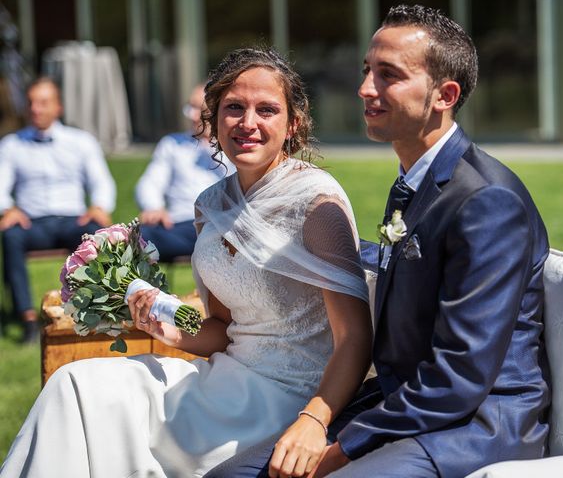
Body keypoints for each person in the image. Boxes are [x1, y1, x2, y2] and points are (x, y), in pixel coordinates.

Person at [208, 5, 550, 478]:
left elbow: (461, 377)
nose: (365, 88)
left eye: (388, 75)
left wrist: (340, 449)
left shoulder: (488, 202)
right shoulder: (412, 183)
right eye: (367, 70)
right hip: (398, 403)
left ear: (444, 95)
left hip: (475, 424)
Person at [0, 48, 373, 478]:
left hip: (288, 401)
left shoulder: (316, 204)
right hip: (223, 378)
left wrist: (313, 421)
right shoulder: (209, 207)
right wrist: (167, 327)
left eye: (266, 109)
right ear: (212, 121)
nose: (248, 123)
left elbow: (355, 339)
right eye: (234, 108)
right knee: (74, 385)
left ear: (293, 124)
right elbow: (221, 331)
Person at [0, 76, 115, 343]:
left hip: (71, 220)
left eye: (43, 103)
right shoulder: (11, 145)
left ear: (58, 107)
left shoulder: (81, 142)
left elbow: (101, 180)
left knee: (94, 234)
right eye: (31, 103)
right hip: (32, 223)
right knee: (10, 236)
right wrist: (8, 209)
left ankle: (95, 310)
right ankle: (27, 318)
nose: (35, 109)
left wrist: (99, 205)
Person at [135, 83, 236, 262]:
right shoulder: (172, 144)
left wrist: (216, 142)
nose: (194, 116)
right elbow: (151, 182)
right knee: (139, 236)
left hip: (222, 224)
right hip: (181, 223)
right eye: (191, 107)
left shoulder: (234, 144)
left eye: (202, 109)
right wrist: (153, 207)